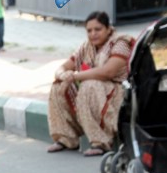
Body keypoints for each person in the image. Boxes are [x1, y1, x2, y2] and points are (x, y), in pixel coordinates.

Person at [46, 11, 134, 156]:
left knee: (89, 85)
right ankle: (66, 139)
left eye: (98, 29)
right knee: (58, 86)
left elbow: (108, 72)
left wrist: (75, 76)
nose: (93, 34)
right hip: (96, 91)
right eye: (89, 31)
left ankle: (101, 142)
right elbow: (62, 68)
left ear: (108, 29)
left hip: (118, 95)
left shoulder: (120, 43)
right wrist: (63, 75)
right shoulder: (87, 47)